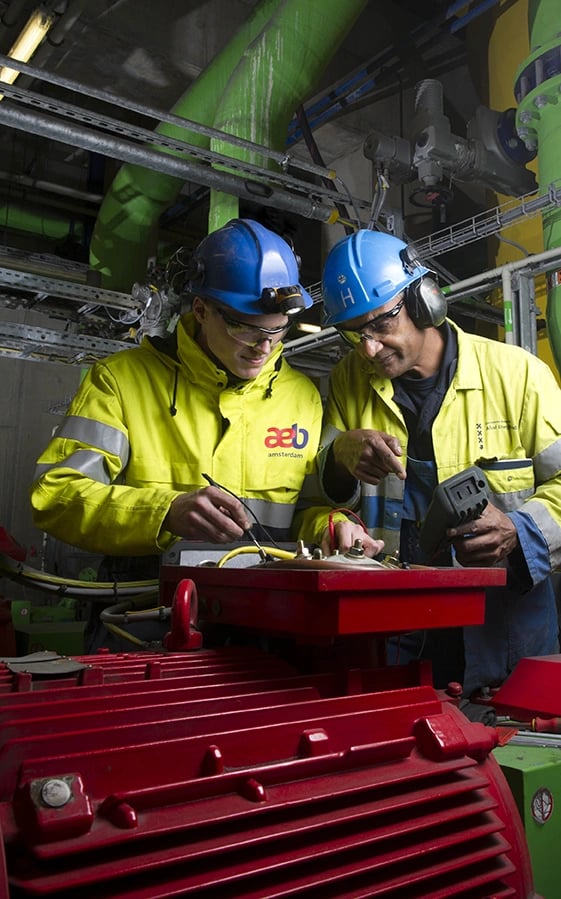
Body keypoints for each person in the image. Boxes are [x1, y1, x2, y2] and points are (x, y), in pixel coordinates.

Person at [30, 217, 344, 651]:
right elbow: (55, 495)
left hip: (263, 623)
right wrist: (164, 512)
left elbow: (308, 509)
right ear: (200, 310)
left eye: (277, 329)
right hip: (142, 615)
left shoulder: (302, 397)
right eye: (245, 326)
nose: (264, 346)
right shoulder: (121, 381)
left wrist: (334, 525)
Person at [300, 228, 561, 698]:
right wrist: (337, 469)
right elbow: (316, 504)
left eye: (380, 324)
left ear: (424, 301)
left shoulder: (518, 375)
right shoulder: (348, 382)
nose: (369, 349)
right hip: (394, 637)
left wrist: (520, 531)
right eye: (354, 333)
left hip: (503, 633)